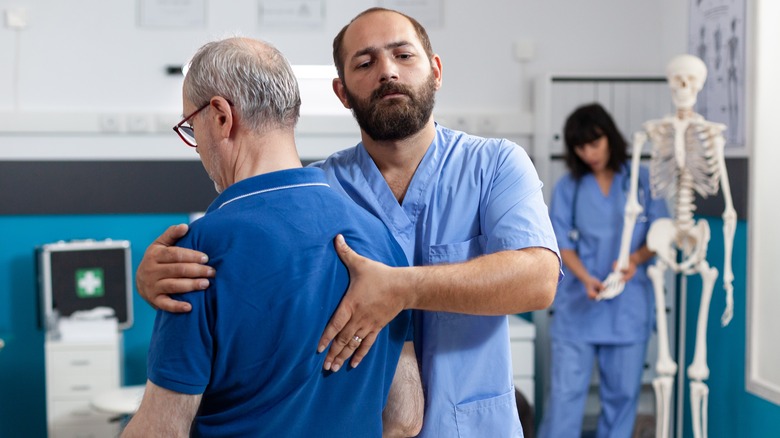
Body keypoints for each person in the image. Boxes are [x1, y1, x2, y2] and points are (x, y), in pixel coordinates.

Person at [136, 8, 561, 437]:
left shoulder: (495, 166)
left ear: (435, 71)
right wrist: (156, 276)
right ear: (341, 91)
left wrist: (400, 287)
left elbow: (539, 280)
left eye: (403, 55)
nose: (388, 72)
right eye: (365, 62)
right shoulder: (322, 189)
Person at [121, 37, 418, 438]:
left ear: (221, 116)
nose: (197, 147)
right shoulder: (380, 238)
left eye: (192, 128)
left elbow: (161, 431)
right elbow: (405, 417)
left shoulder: (197, 255)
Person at [538, 103, 668, 438]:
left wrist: (635, 260)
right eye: (581, 147)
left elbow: (660, 231)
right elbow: (560, 242)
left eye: (594, 143)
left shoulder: (640, 179)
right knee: (565, 399)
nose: (589, 153)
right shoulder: (569, 187)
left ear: (609, 137)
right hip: (580, 305)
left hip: (628, 306)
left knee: (622, 398)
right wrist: (584, 277)